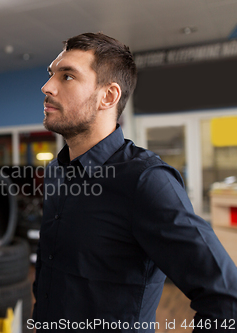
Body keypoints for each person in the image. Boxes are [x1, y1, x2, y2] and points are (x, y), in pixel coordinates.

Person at [31, 32, 237, 332]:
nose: (47, 87)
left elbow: (227, 298)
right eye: (51, 75)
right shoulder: (58, 171)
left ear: (109, 96)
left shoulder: (146, 180)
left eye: (67, 77)